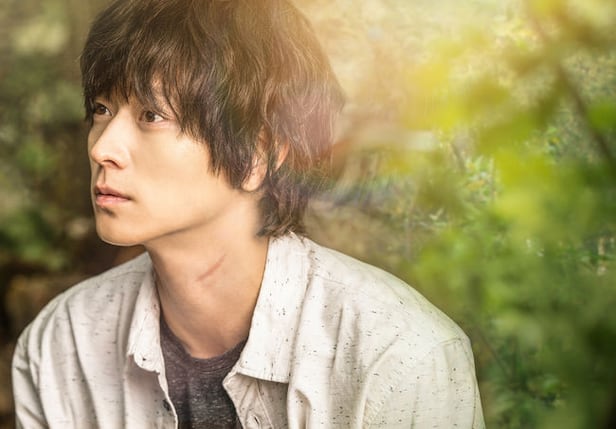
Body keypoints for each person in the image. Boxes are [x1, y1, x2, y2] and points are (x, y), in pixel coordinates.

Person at [12, 0, 485, 427]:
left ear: (259, 156)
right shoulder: (62, 345)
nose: (103, 148)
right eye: (101, 109)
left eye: (152, 115)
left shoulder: (399, 357)